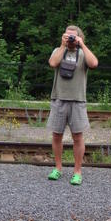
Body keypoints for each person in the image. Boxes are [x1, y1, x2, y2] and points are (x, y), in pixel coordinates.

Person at [46, 25, 98, 185]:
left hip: (78, 100)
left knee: (78, 137)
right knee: (56, 136)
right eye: (67, 36)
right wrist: (62, 45)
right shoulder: (58, 51)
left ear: (79, 37)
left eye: (73, 36)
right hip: (59, 99)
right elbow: (53, 63)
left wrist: (82, 44)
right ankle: (58, 168)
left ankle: (77, 172)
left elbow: (94, 63)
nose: (70, 39)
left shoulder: (83, 53)